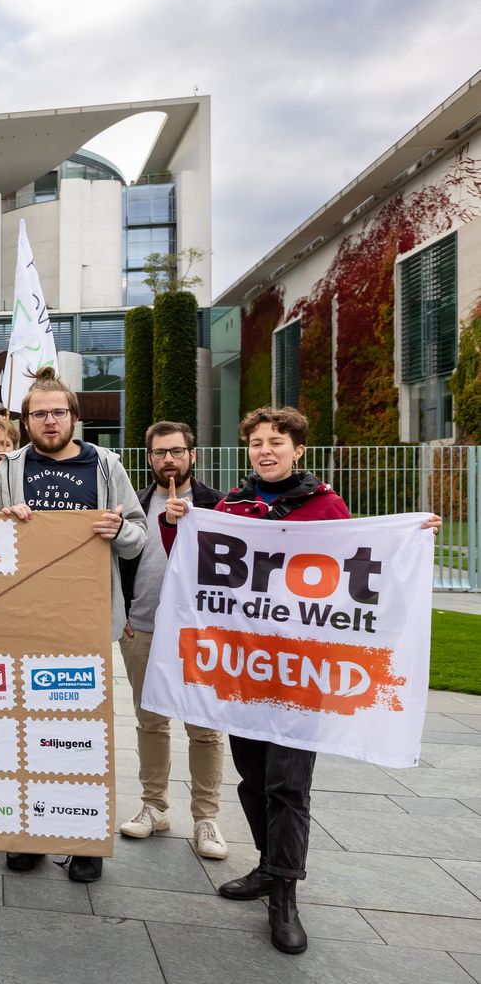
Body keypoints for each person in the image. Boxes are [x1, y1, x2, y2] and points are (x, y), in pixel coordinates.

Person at [162, 406, 439, 955]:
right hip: (242, 668)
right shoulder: (233, 506)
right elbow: (196, 570)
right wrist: (177, 528)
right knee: (253, 776)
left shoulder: (327, 506)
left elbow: (364, 564)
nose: (266, 450)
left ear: (298, 449)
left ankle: (285, 893)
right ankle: (267, 867)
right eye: (257, 442)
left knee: (289, 783)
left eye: (276, 442)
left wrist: (411, 535)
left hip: (302, 670)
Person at [0, 366, 147, 883]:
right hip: (24, 618)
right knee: (24, 731)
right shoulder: (9, 467)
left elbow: (139, 534)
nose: (49, 422)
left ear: (74, 417)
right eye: (39, 414)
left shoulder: (106, 464)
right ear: (27, 421)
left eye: (58, 412)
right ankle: (30, 834)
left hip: (86, 618)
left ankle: (84, 840)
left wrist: (118, 529)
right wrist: (2, 523)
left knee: (84, 735)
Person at [116, 421, 227, 859]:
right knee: (150, 723)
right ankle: (154, 807)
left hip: (201, 636)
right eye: (160, 452)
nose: (169, 460)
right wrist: (121, 614)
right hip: (141, 629)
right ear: (149, 458)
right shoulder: (134, 505)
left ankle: (206, 818)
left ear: (192, 456)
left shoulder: (220, 505)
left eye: (177, 451)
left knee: (205, 727)